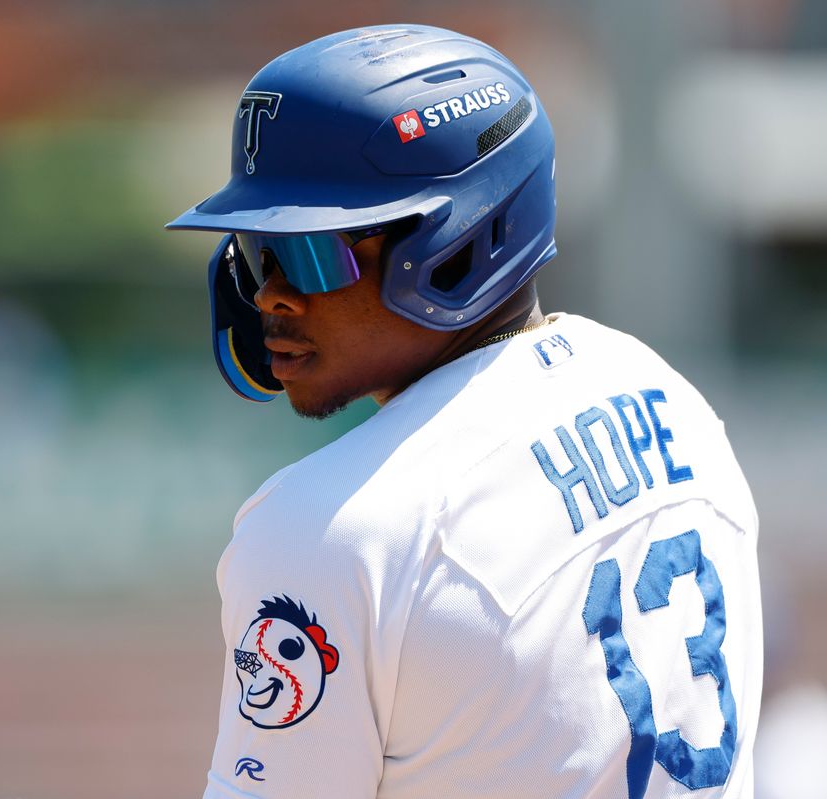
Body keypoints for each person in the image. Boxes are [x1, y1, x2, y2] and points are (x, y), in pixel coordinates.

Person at [167, 24, 762, 799]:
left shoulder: (331, 528)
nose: (271, 292)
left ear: (460, 239)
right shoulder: (670, 398)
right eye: (254, 247)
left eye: (314, 251)